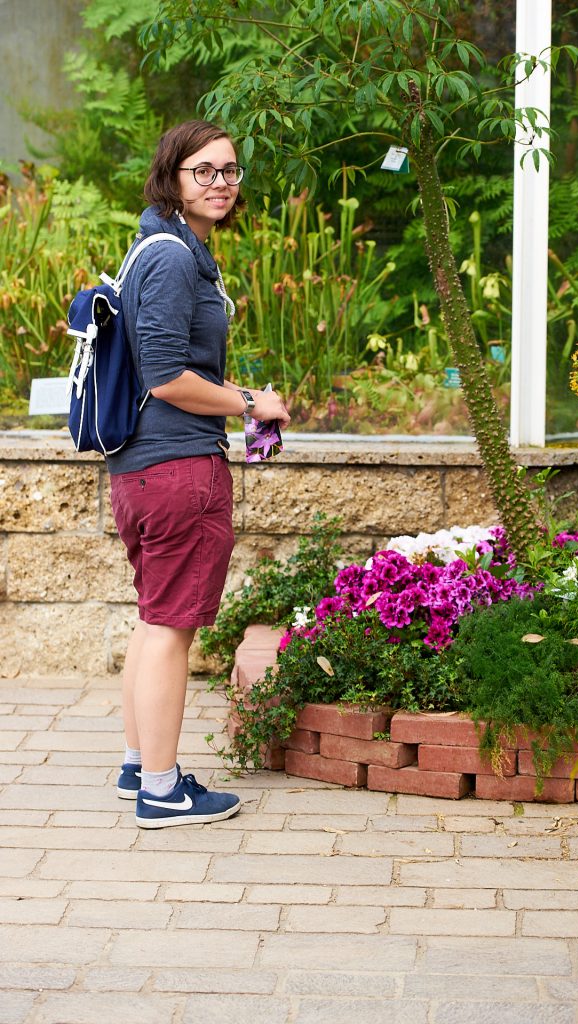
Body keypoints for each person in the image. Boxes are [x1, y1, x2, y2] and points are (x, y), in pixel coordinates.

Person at [107, 120, 290, 828]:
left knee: (154, 622)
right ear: (172, 177)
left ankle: (135, 765)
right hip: (177, 468)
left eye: (230, 171)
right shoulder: (174, 259)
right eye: (203, 170)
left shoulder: (167, 247)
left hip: (149, 468)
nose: (220, 183)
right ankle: (162, 790)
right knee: (170, 629)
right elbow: (165, 377)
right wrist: (250, 402)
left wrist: (238, 396)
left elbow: (174, 366)